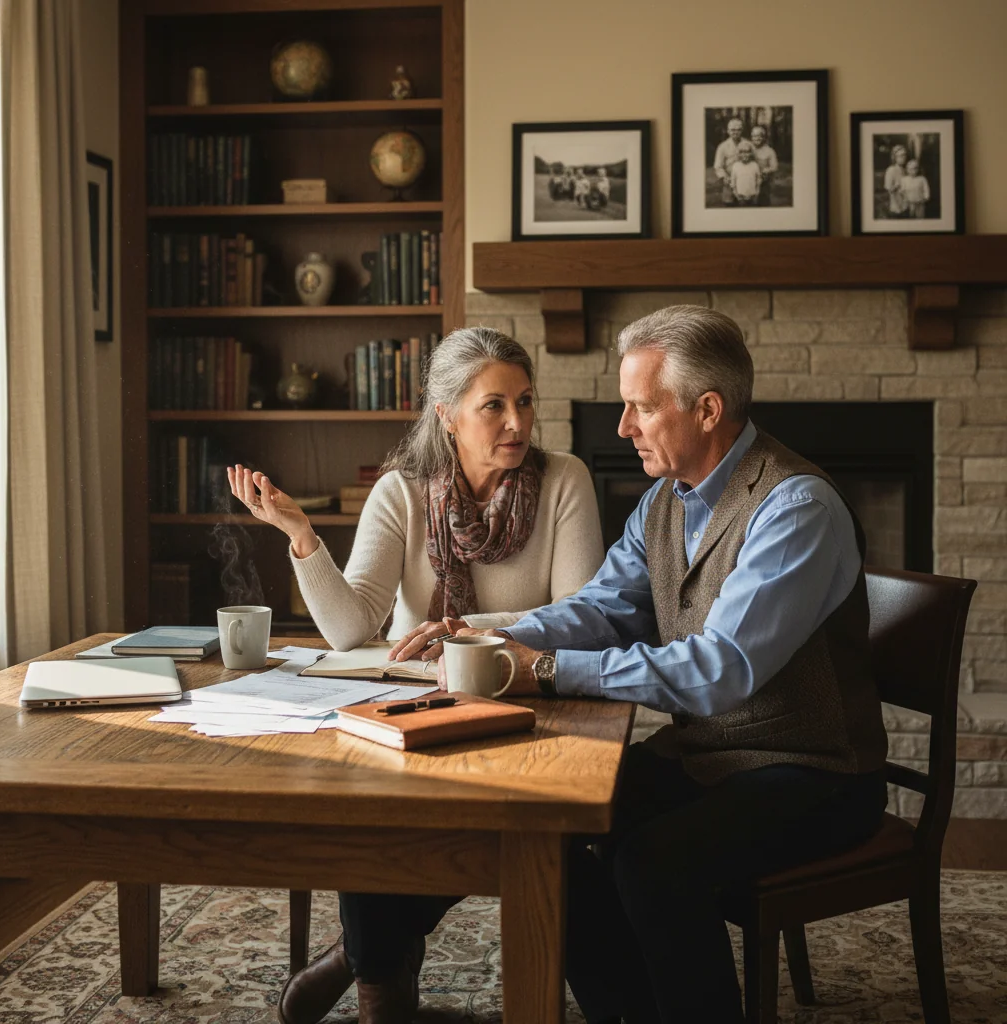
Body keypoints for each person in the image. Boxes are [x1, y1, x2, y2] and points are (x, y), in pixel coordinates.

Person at [452, 305, 890, 1024]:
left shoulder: (796, 508)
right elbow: (600, 608)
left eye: (640, 409)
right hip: (710, 756)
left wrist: (552, 671)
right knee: (552, 829)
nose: (624, 427)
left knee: (653, 864)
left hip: (815, 771)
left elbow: (719, 669)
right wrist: (502, 645)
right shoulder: (664, 502)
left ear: (707, 409)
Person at [229, 326, 604, 1024]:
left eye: (525, 401)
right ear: (446, 414)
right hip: (420, 706)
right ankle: (384, 994)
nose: (518, 422)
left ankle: (359, 959)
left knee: (500, 830)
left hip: (529, 704)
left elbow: (581, 615)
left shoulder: (565, 481)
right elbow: (352, 628)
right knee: (368, 806)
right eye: (494, 406)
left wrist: (470, 629)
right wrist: (300, 535)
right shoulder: (401, 490)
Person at [713, 117, 745, 205]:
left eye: (738, 130)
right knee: (729, 205)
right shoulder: (722, 147)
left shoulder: (748, 144)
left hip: (745, 180)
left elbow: (754, 161)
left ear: (742, 130)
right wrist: (725, 177)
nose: (735, 132)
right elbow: (718, 166)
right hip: (729, 182)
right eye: (732, 130)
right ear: (728, 131)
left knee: (745, 205)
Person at [750, 124, 778, 206]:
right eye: (754, 136)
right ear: (751, 137)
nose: (757, 138)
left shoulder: (769, 151)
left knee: (763, 202)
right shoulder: (748, 148)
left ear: (764, 137)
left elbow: (774, 166)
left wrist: (767, 170)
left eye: (760, 136)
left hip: (764, 182)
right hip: (749, 180)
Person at [729, 140, 762, 205]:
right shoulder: (736, 166)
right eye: (742, 152)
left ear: (751, 153)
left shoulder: (754, 165)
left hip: (753, 196)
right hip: (740, 197)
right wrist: (737, 196)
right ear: (739, 154)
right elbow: (733, 182)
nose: (744, 155)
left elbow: (758, 180)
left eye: (747, 152)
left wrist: (757, 193)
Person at [884, 144, 909, 217]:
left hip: (907, 205)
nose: (904, 157)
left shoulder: (906, 170)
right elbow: (888, 188)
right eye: (901, 156)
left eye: (904, 155)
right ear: (895, 157)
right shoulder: (891, 170)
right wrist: (897, 185)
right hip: (896, 208)